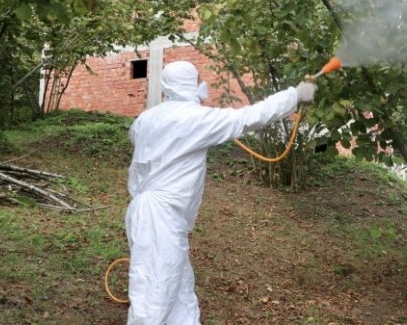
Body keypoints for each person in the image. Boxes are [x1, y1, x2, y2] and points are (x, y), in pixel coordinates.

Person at [125, 60, 316, 324]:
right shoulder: (192, 118)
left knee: (179, 294)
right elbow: (250, 117)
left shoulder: (145, 119)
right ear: (190, 83)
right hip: (161, 218)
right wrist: (294, 94)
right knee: (153, 300)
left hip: (150, 215)